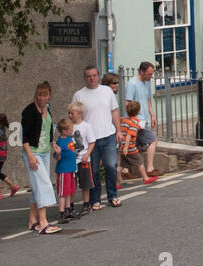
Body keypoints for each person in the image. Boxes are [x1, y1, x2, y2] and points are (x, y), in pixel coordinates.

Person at [74, 65, 120, 210]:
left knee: (111, 166)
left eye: (94, 75)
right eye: (88, 76)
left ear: (98, 76)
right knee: (93, 170)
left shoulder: (106, 91)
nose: (91, 78)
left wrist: (118, 130)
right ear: (84, 77)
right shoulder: (79, 95)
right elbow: (75, 116)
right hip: (90, 140)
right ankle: (95, 200)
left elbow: (114, 111)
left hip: (108, 135)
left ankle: (113, 196)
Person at [20, 81, 59, 234]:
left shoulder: (48, 109)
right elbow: (24, 137)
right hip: (33, 152)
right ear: (36, 95)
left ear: (49, 96)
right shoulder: (29, 111)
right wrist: (30, 155)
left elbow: (48, 129)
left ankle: (32, 220)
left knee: (37, 187)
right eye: (40, 95)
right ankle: (43, 222)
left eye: (45, 95)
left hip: (44, 152)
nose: (42, 98)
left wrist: (53, 143)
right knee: (44, 185)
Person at [125, 61, 159, 177]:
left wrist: (152, 115)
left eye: (152, 74)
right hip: (138, 120)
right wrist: (134, 121)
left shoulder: (147, 83)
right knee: (153, 140)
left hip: (144, 119)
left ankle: (124, 170)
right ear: (142, 72)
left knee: (133, 145)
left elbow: (148, 100)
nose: (151, 76)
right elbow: (127, 103)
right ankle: (150, 168)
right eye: (149, 74)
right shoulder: (132, 83)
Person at [67, 100, 95, 218]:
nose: (70, 115)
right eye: (69, 113)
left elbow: (92, 142)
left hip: (83, 160)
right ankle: (70, 206)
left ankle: (86, 204)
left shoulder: (86, 126)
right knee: (72, 185)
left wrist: (86, 155)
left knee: (85, 183)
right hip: (71, 160)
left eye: (72, 113)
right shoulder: (68, 127)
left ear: (79, 113)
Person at [118, 99, 157, 184]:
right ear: (138, 111)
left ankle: (117, 181)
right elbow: (129, 135)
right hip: (130, 148)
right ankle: (146, 178)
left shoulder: (124, 120)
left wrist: (123, 147)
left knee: (122, 165)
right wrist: (126, 147)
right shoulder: (135, 122)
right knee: (140, 162)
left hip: (122, 147)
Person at [54, 118, 78, 222]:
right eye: (70, 129)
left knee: (69, 191)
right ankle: (61, 212)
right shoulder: (60, 142)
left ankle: (68, 210)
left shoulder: (69, 139)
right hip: (64, 170)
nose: (72, 130)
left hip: (71, 169)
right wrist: (58, 153)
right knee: (63, 192)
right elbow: (57, 157)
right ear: (64, 131)